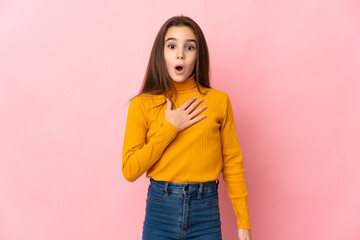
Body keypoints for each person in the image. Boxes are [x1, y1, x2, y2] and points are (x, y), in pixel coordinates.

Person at [122, 15, 252, 240]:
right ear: (161, 54)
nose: (180, 53)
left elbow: (232, 163)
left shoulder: (219, 101)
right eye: (171, 46)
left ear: (198, 55)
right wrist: (170, 128)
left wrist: (244, 224)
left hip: (206, 213)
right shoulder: (142, 104)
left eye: (189, 47)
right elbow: (130, 170)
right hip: (160, 211)